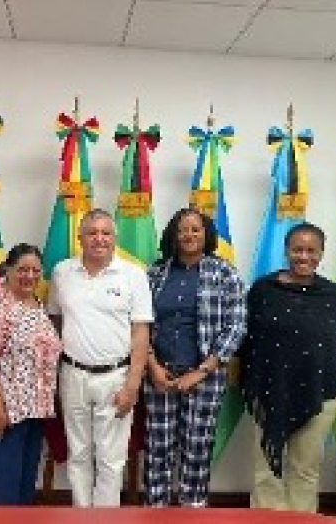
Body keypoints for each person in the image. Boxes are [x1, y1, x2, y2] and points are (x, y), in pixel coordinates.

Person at [47, 208, 153, 507]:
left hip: (116, 377)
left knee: (111, 459)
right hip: (72, 374)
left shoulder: (134, 275)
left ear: (114, 238)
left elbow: (141, 332)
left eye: (105, 233)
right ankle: (82, 515)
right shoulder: (62, 271)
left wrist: (132, 385)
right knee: (77, 454)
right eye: (92, 233)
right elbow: (54, 322)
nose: (99, 239)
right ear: (80, 237)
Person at [240, 222, 336, 512]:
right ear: (286, 251)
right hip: (268, 391)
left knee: (305, 472)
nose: (304, 256)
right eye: (297, 249)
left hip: (319, 393)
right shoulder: (263, 290)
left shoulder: (335, 295)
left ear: (322, 253)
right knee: (265, 473)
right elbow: (246, 339)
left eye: (312, 250)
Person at [144, 207, 247, 507]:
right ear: (173, 235)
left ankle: (192, 512)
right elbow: (139, 323)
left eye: (195, 230)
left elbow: (236, 325)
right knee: (157, 451)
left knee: (196, 451)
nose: (188, 235)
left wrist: (201, 371)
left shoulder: (225, 273)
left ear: (206, 235)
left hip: (205, 377)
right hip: (159, 376)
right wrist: (152, 365)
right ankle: (156, 512)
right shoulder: (155, 273)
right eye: (182, 230)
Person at [0, 243, 62, 505]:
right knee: (2, 492)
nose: (29, 276)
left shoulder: (36, 305)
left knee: (24, 490)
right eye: (22, 269)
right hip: (3, 415)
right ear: (7, 269)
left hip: (33, 412)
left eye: (35, 271)